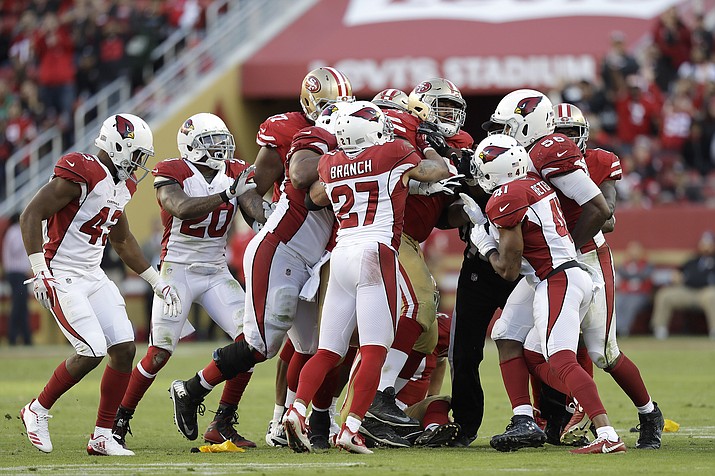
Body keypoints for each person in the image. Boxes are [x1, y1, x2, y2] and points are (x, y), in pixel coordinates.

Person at [168, 68, 354, 446]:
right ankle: (191, 389)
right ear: (309, 103)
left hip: (315, 257)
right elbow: (256, 187)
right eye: (328, 106)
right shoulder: (295, 133)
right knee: (263, 346)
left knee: (320, 346)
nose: (336, 113)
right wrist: (263, 218)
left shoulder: (349, 136)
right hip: (282, 249)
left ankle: (307, 426)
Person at [283, 100, 450, 454]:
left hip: (341, 253)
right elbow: (436, 171)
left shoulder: (329, 161)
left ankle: (297, 409)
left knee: (328, 350)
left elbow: (315, 195)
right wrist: (431, 150)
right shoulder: (393, 151)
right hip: (375, 253)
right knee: (375, 349)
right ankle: (352, 428)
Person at [18, 113, 180, 456]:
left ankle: (102, 436)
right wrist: (38, 269)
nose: (139, 166)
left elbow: (122, 240)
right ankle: (37, 409)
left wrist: (156, 281)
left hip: (92, 274)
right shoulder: (82, 171)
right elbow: (31, 214)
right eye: (136, 156)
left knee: (124, 348)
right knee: (90, 350)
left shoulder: (124, 185)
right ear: (118, 147)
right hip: (60, 272)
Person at [464, 133, 626, 454]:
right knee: (523, 344)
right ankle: (537, 414)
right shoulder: (533, 185)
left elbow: (508, 270)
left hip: (555, 280)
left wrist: (484, 241)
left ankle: (605, 431)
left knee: (562, 358)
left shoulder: (506, 197)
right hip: (569, 274)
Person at [112, 113, 261, 449]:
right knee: (158, 353)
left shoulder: (235, 171)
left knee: (251, 344)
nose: (220, 148)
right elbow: (179, 207)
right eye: (211, 142)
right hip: (176, 270)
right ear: (191, 146)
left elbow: (254, 212)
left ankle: (221, 421)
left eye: (222, 140)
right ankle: (119, 421)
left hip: (216, 270)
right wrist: (227, 195)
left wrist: (272, 210)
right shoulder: (171, 171)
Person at [366, 78, 472, 435]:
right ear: (421, 106)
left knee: (427, 335)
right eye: (441, 107)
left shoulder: (457, 142)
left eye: (454, 110)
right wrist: (436, 168)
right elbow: (406, 173)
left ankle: (390, 407)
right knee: (418, 311)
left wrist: (472, 200)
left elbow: (443, 213)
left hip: (408, 238)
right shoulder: (401, 126)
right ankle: (374, 399)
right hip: (385, 233)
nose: (449, 117)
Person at [651, 231, 715, 339]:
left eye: (709, 244)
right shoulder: (693, 260)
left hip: (706, 292)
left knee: (712, 296)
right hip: (688, 291)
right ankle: (660, 329)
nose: (706, 247)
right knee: (665, 295)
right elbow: (678, 272)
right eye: (704, 244)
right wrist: (676, 276)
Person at [2, 213, 32, 345]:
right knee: (19, 306)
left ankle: (24, 338)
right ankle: (15, 337)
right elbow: (18, 249)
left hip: (15, 273)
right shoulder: (15, 233)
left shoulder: (10, 233)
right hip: (17, 272)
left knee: (21, 306)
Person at [615, 241, 654, 337]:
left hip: (641, 295)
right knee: (617, 301)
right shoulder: (624, 265)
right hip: (625, 293)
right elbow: (618, 279)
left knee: (631, 304)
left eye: (636, 251)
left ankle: (624, 328)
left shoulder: (647, 265)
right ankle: (616, 328)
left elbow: (646, 276)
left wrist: (630, 276)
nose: (634, 253)